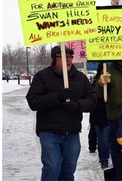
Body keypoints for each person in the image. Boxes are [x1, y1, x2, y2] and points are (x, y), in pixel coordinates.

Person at [26, 45, 98, 181]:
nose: (69, 60)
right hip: (49, 131)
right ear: (54, 59)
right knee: (52, 167)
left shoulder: (80, 78)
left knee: (68, 170)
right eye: (64, 57)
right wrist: (57, 97)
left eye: (70, 57)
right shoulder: (43, 76)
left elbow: (93, 100)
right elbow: (33, 101)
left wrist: (78, 105)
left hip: (72, 132)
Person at [92, 62, 110, 169]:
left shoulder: (111, 84)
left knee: (105, 139)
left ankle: (104, 159)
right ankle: (102, 157)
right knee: (101, 139)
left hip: (107, 115)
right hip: (97, 115)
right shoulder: (95, 83)